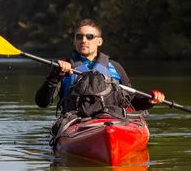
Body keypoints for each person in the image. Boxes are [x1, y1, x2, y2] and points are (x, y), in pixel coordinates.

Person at [35, 19, 165, 113]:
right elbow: (42, 103)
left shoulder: (115, 67)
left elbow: (132, 101)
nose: (84, 40)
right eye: (79, 36)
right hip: (77, 123)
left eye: (89, 36)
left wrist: (149, 100)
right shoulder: (63, 67)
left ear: (99, 41)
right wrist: (56, 76)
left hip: (112, 121)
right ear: (74, 41)